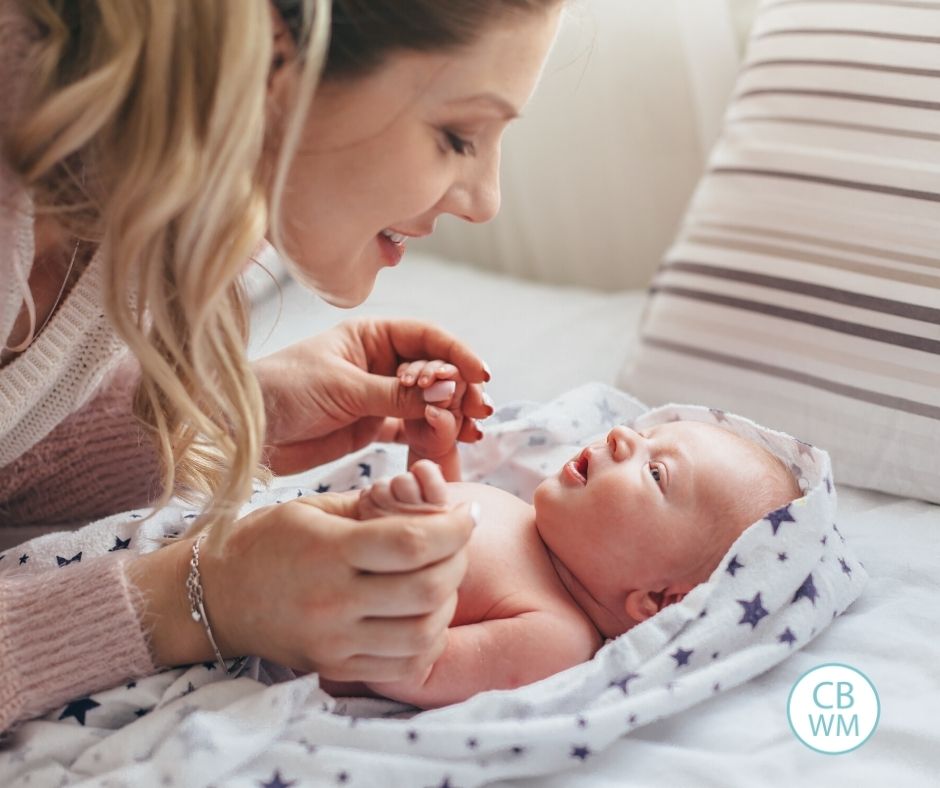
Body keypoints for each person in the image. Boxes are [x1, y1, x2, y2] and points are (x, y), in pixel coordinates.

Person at [0, 0, 564, 733]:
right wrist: (199, 600)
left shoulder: (132, 190)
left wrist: (221, 416)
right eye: (458, 135)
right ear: (272, 58)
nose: (487, 201)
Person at [318, 361, 802, 708]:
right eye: (646, 436)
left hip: (300, 610)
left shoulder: (557, 636)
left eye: (656, 472)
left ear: (655, 601)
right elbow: (443, 515)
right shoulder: (526, 520)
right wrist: (431, 457)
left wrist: (397, 572)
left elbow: (420, 669)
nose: (623, 436)